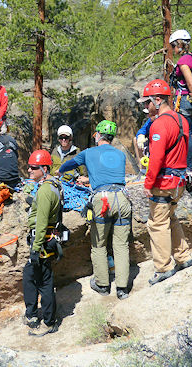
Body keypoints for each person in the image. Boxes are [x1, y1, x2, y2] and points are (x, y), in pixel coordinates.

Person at [59, 120, 131, 300]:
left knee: (99, 244)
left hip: (102, 199)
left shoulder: (88, 153)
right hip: (122, 198)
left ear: (98, 135)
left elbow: (67, 166)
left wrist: (61, 172)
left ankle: (102, 284)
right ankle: (122, 289)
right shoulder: (120, 154)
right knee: (121, 245)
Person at [137, 79, 192, 285]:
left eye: (147, 103)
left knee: (157, 223)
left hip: (164, 182)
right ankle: (183, 256)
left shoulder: (160, 124)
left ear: (157, 100)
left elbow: (157, 158)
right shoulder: (181, 120)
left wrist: (148, 183)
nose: (145, 107)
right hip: (179, 180)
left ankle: (163, 267)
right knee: (170, 218)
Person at [22, 149, 60, 335]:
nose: (29, 170)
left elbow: (43, 220)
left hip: (42, 242)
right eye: (29, 167)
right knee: (30, 275)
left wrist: (35, 249)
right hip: (46, 239)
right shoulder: (52, 186)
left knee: (44, 282)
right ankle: (32, 314)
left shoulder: (45, 190)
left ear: (44, 169)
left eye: (33, 168)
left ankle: (48, 322)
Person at [169, 29, 192, 171]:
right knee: (188, 131)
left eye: (173, 46)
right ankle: (188, 166)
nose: (173, 49)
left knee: (184, 133)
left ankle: (188, 167)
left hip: (184, 101)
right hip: (191, 100)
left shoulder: (184, 61)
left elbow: (190, 83)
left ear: (179, 44)